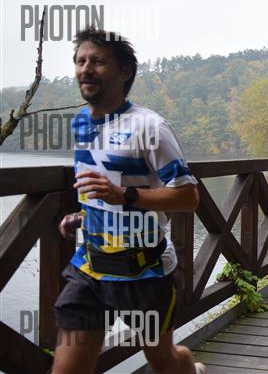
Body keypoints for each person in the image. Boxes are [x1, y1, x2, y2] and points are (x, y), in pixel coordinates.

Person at [52, 27, 206, 374]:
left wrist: (125, 195)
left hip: (144, 270)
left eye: (97, 61)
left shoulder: (150, 127)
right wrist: (83, 215)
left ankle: (190, 368)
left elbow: (188, 197)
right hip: (90, 267)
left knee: (163, 361)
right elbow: (99, 187)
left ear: (124, 71)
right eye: (80, 61)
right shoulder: (80, 123)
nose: (86, 69)